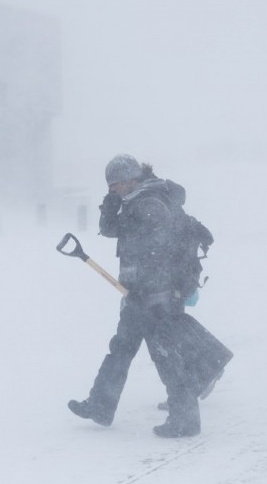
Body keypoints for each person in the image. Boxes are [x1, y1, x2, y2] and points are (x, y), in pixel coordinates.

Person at [67, 154, 204, 438]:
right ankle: (100, 406)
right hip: (139, 293)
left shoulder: (151, 204)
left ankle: (186, 420)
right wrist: (110, 206)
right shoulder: (134, 201)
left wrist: (149, 291)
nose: (113, 189)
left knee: (166, 355)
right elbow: (112, 230)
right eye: (110, 186)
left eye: (115, 184)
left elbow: (159, 251)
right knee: (121, 349)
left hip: (156, 296)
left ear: (131, 179)